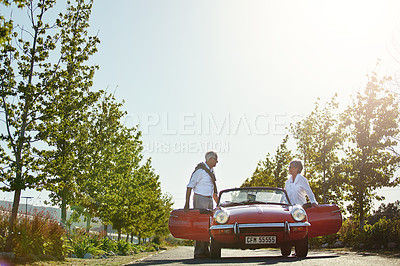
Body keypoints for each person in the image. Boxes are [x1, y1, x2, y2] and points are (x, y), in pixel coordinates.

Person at [184, 151, 219, 259]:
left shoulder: (211, 171)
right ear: (210, 159)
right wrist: (187, 204)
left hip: (209, 199)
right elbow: (189, 186)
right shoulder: (200, 171)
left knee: (208, 226)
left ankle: (205, 251)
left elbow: (213, 190)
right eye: (216, 160)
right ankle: (199, 252)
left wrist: (218, 203)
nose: (217, 163)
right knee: (200, 226)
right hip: (200, 198)